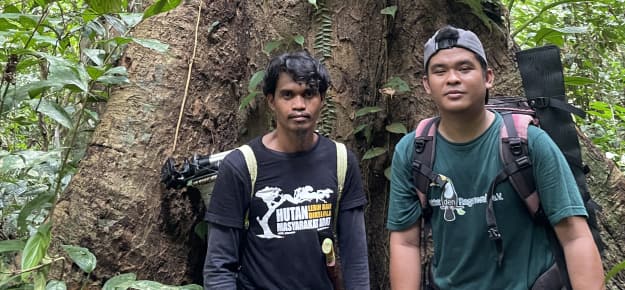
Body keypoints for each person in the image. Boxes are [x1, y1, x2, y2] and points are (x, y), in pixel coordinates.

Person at [387, 25, 604, 289]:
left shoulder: (528, 142)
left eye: (465, 68)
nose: (452, 79)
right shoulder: (413, 151)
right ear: (426, 84)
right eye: (439, 71)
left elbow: (574, 236)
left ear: (488, 77)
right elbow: (405, 241)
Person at [204, 51, 370, 289]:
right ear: (271, 100)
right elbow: (219, 265)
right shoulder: (242, 165)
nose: (299, 105)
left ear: (322, 99)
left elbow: (355, 257)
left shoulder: (341, 160)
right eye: (288, 95)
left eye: (309, 94)